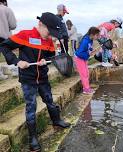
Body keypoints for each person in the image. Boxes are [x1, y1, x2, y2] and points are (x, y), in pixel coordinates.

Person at [0, 12, 71, 152]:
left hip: (43, 78)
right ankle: (32, 138)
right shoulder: (25, 35)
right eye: (49, 31)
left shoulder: (49, 40)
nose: (50, 35)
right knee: (31, 106)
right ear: (40, 24)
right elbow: (4, 46)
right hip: (28, 79)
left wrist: (46, 60)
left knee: (50, 100)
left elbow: (51, 55)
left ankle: (56, 120)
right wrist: (17, 61)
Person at [74, 27, 100, 94]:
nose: (98, 37)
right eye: (97, 35)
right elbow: (80, 53)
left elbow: (89, 48)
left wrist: (91, 50)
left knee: (87, 73)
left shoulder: (90, 40)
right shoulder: (85, 41)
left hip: (84, 58)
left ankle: (86, 87)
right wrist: (88, 53)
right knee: (84, 74)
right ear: (92, 34)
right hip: (79, 58)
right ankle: (86, 89)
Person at [0, 0, 17, 79]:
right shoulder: (6, 9)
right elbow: (13, 25)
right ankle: (14, 72)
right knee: (8, 54)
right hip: (4, 36)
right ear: (4, 1)